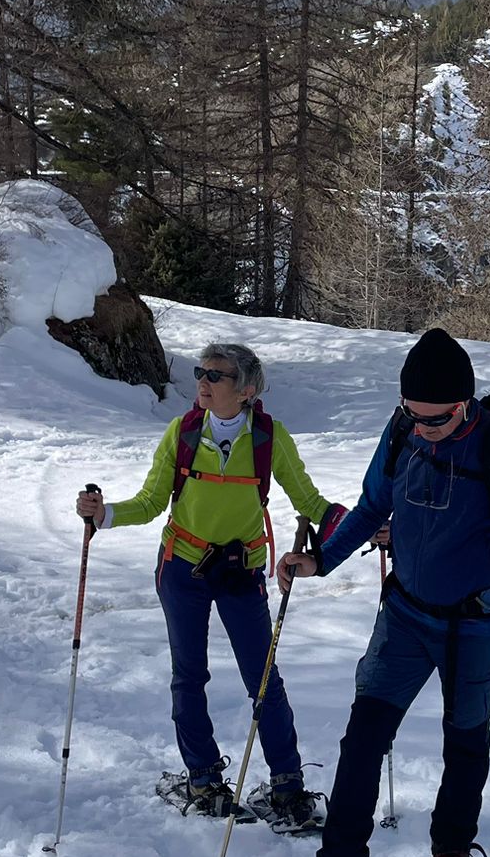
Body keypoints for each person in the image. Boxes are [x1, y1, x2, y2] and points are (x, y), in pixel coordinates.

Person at [274, 327, 490, 857]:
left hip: (477, 624)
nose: (425, 429)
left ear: (465, 403)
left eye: (438, 419)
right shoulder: (402, 430)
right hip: (405, 616)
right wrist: (321, 560)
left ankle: (452, 856)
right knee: (362, 741)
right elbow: (371, 506)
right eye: (415, 415)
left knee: (465, 743)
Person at [77, 342, 343, 831]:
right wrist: (104, 514)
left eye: (216, 375)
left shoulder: (268, 437)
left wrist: (354, 525)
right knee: (189, 675)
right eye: (201, 372)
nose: (203, 381)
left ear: (246, 390)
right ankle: (202, 780)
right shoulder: (182, 431)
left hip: (242, 571)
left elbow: (308, 499)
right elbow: (151, 501)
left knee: (264, 680)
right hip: (182, 568)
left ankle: (287, 786)